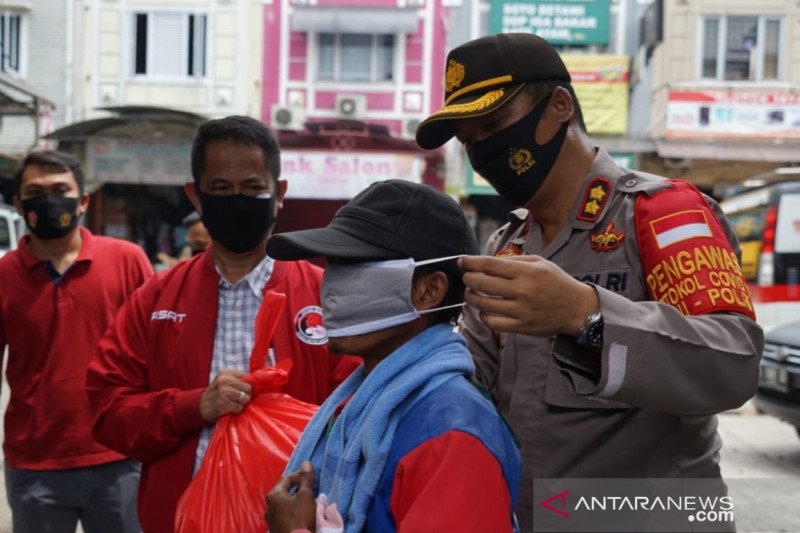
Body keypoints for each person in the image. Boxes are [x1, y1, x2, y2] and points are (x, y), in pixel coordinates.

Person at [415, 33, 764, 531]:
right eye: (470, 142)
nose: (484, 152)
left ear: (559, 105)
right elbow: (470, 383)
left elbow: (735, 365)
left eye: (494, 126)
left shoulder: (663, 213)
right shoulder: (505, 248)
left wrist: (588, 316)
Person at [86, 116, 361, 533]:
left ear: (280, 193)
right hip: (181, 519)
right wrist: (193, 406)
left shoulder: (326, 297)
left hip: (295, 522)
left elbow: (361, 412)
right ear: (196, 197)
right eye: (221, 189)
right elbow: (107, 411)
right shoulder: (154, 300)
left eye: (252, 188)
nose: (237, 200)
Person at [265, 179, 521, 533]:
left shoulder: (449, 434)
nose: (333, 283)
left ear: (428, 290)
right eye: (333, 263)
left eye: (356, 265)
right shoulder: (361, 403)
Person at [0, 150, 152, 533]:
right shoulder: (3, 274)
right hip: (35, 464)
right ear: (19, 204)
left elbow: (157, 352)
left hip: (119, 457)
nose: (49, 199)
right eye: (35, 191)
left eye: (60, 189)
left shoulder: (128, 260)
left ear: (83, 200)